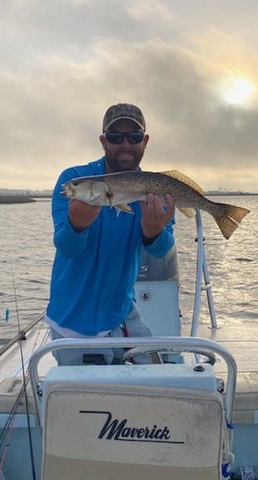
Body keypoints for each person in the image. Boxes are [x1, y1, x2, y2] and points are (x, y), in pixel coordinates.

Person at [45, 103, 175, 365]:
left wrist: (154, 234)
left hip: (122, 312)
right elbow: (67, 247)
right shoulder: (74, 179)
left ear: (145, 141)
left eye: (134, 137)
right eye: (116, 137)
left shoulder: (154, 187)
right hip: (74, 320)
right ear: (103, 141)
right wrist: (77, 226)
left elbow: (162, 250)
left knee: (158, 377)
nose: (125, 144)